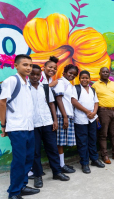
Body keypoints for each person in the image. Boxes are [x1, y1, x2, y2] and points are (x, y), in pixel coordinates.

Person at [0, 54, 40, 199]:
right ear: (16, 66)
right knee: (19, 160)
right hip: (17, 128)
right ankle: (14, 192)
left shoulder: (27, 83)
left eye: (30, 65)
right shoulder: (12, 80)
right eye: (25, 65)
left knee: (28, 159)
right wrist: (3, 125)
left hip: (29, 127)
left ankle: (22, 186)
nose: (28, 68)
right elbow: (2, 102)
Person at [29, 65, 70, 188]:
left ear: (40, 75)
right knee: (35, 152)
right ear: (28, 75)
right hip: (33, 125)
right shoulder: (25, 88)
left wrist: (55, 120)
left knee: (52, 148)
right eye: (33, 74)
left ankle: (56, 172)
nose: (35, 77)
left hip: (47, 122)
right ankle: (37, 176)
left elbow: (52, 104)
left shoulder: (45, 88)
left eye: (38, 74)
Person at [71, 70, 105, 173]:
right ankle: (85, 163)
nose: (84, 79)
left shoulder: (92, 90)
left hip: (92, 119)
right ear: (79, 79)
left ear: (89, 79)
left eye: (86, 78)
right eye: (82, 78)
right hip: (80, 119)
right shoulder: (75, 88)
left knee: (92, 140)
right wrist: (87, 111)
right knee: (82, 142)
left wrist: (94, 112)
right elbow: (74, 101)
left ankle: (94, 159)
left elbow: (96, 102)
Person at [92, 67, 114, 164]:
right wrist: (96, 115)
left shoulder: (113, 84)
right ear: (100, 73)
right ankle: (105, 155)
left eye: (107, 72)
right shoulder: (95, 85)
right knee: (103, 135)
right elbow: (93, 101)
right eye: (103, 72)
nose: (105, 73)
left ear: (109, 73)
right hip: (102, 111)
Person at [52, 64, 79, 173]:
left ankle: (62, 164)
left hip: (68, 115)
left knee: (63, 141)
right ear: (64, 73)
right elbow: (59, 99)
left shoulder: (69, 85)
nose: (72, 75)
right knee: (60, 142)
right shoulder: (60, 82)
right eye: (70, 73)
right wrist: (64, 117)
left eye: (74, 74)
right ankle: (61, 165)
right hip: (62, 115)